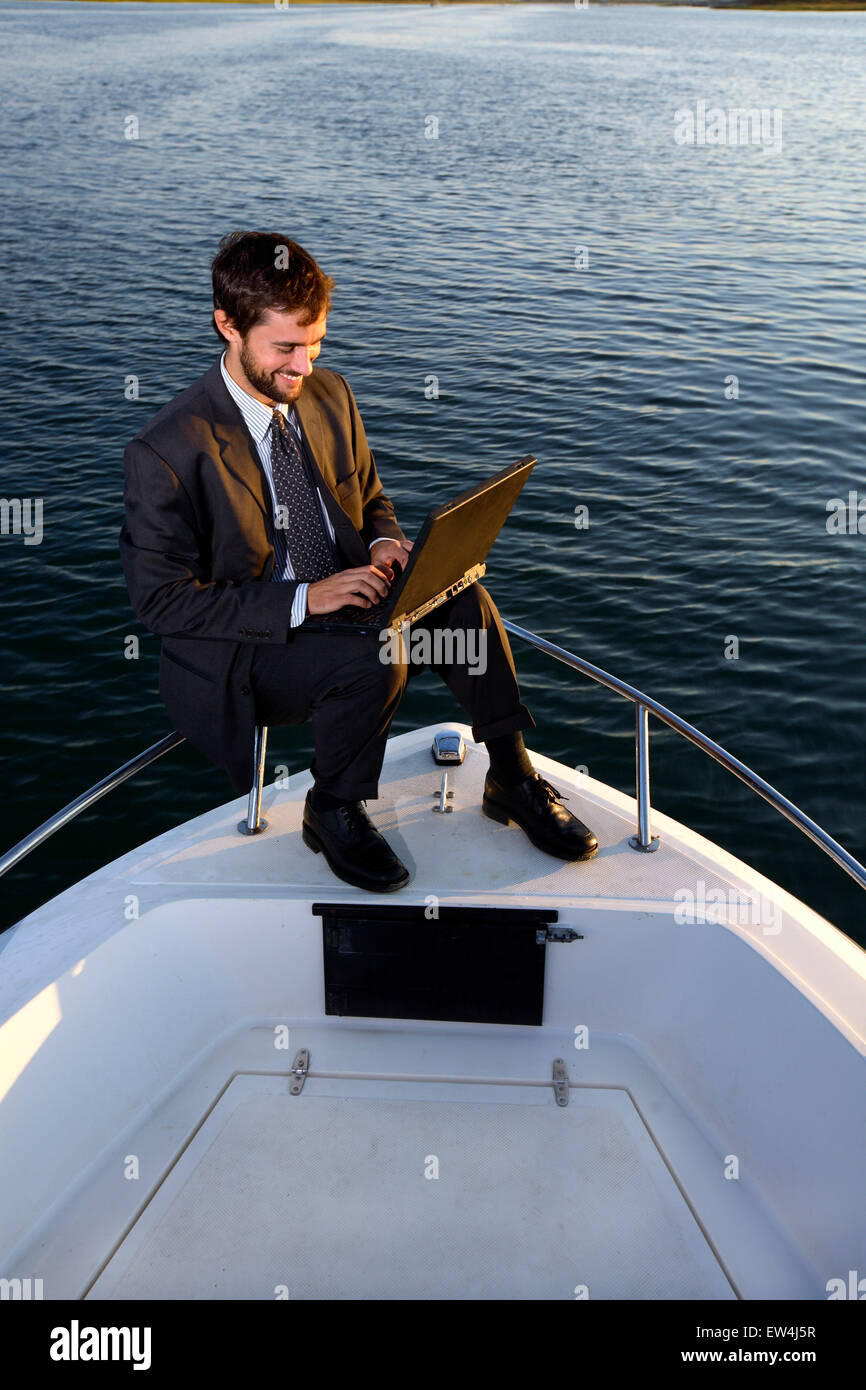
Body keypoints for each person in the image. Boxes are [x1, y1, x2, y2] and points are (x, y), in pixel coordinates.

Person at [119, 230, 598, 892]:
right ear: (227, 325)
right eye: (284, 348)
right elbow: (162, 603)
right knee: (377, 649)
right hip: (246, 651)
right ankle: (333, 806)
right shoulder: (167, 450)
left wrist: (382, 543)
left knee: (460, 598)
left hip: (345, 597)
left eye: (314, 345)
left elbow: (370, 497)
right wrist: (304, 599)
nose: (303, 367)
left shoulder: (329, 394)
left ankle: (510, 776)